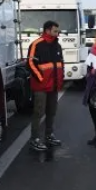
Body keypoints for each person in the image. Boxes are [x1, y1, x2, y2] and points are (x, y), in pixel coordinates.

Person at [27, 20, 64, 151]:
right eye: (55, 31)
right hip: (41, 86)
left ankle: (49, 135)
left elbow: (60, 64)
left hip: (53, 86)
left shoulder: (57, 45)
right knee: (38, 112)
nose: (57, 33)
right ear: (47, 30)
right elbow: (30, 63)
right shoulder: (37, 44)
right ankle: (35, 139)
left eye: (57, 31)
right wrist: (41, 79)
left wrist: (61, 80)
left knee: (51, 112)